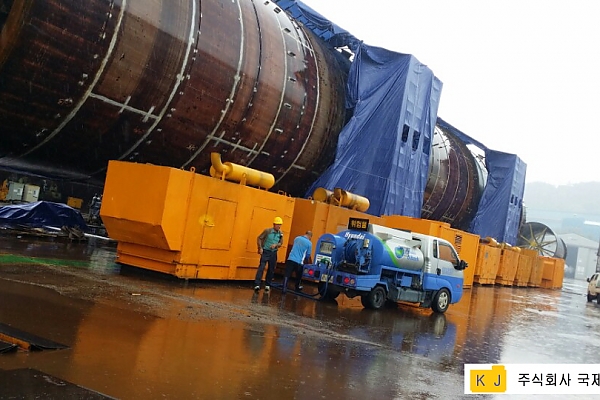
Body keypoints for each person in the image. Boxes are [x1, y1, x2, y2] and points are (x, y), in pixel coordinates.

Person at [253, 216, 284, 292]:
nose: (279, 226)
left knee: (271, 269)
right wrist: (260, 247)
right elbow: (259, 238)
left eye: (280, 225)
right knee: (261, 267)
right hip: (266, 251)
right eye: (278, 224)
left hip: (274, 253)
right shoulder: (267, 231)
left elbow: (281, 243)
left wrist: (276, 245)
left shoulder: (280, 233)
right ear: (274, 224)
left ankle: (267, 284)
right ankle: (257, 284)